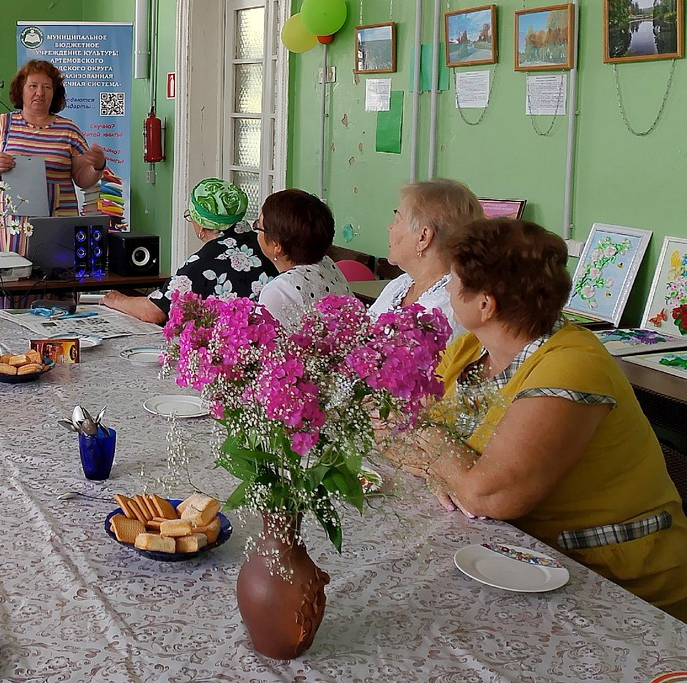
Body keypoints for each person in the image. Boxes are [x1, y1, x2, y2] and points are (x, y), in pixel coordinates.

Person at [389, 218, 687, 621]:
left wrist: (431, 452)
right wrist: (443, 465)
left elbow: (488, 496)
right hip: (516, 561)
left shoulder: (573, 365)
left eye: (454, 281)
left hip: (618, 587)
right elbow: (386, 420)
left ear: (484, 304)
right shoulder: (471, 349)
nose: (446, 289)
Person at [0, 60, 107, 257]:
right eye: (33, 86)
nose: (39, 93)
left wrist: (97, 166)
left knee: (57, 280)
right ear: (21, 90)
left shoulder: (69, 130)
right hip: (10, 227)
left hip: (57, 223)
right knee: (8, 281)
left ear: (54, 93)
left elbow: (82, 180)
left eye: (47, 87)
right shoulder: (0, 125)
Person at [102, 179, 276, 324]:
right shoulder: (264, 243)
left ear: (201, 225)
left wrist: (116, 300)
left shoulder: (203, 262)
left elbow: (156, 311)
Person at [368, 178, 483, 341]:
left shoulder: (444, 308)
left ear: (423, 237)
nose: (390, 227)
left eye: (398, 219)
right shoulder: (402, 284)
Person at [253, 189, 350, 329]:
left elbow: (266, 344)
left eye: (259, 227)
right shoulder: (326, 264)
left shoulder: (279, 291)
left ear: (276, 245)